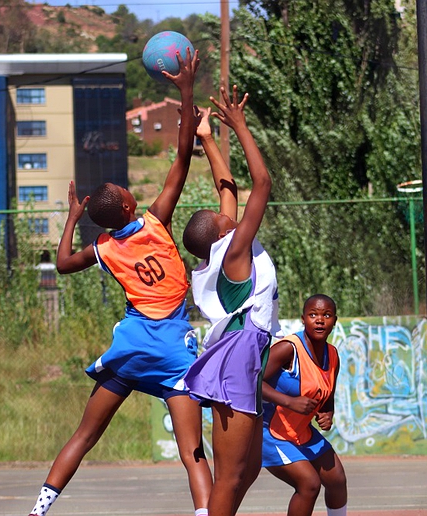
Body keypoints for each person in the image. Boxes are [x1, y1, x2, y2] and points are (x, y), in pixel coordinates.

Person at [27, 46, 213, 516]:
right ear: (129, 207)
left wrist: (72, 217)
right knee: (193, 452)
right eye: (128, 193)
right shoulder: (156, 221)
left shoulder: (106, 248)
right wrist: (186, 89)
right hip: (172, 350)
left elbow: (64, 263)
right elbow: (182, 162)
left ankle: (39, 510)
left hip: (130, 348)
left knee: (85, 436)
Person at [182, 84, 280, 516]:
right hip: (237, 357)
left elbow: (229, 187)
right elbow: (261, 182)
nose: (229, 208)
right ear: (224, 232)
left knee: (251, 468)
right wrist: (238, 126)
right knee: (230, 475)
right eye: (226, 216)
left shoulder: (222, 248)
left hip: (243, 353)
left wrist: (206, 137)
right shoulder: (235, 252)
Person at [261, 294, 347, 516]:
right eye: (313, 315)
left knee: (336, 479)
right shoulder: (289, 349)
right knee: (309, 484)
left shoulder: (333, 355)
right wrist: (289, 401)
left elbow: (327, 397)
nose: (320, 320)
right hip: (270, 432)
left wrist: (328, 413)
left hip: (300, 432)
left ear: (334, 321)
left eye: (326, 315)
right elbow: (250, 382)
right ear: (303, 319)